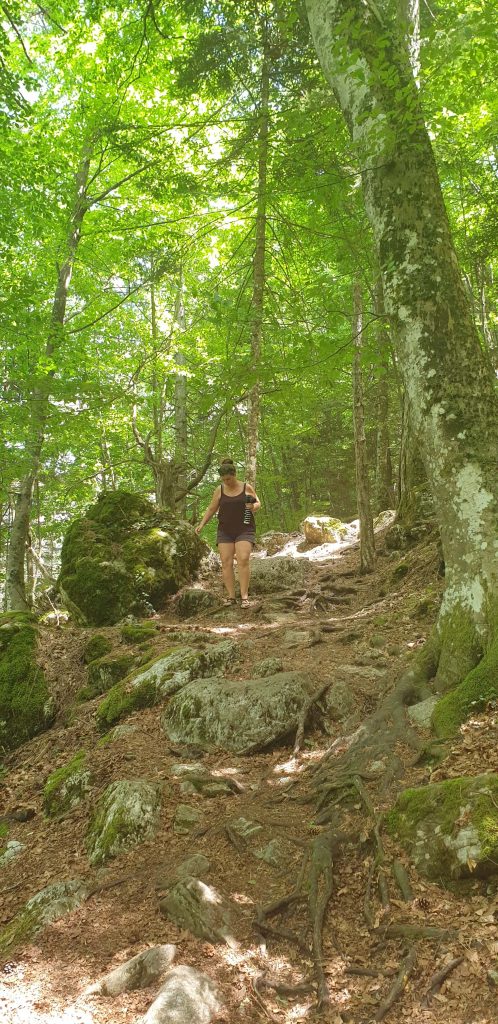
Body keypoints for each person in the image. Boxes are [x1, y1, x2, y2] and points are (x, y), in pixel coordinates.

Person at [195, 458, 261, 607]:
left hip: (244, 528)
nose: (227, 482)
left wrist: (254, 507)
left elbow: (257, 502)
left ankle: (244, 597)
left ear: (235, 474)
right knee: (226, 562)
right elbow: (211, 508)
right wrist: (202, 524)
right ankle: (231, 597)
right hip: (225, 530)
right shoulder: (220, 490)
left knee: (243, 559)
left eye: (229, 479)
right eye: (224, 480)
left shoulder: (246, 487)